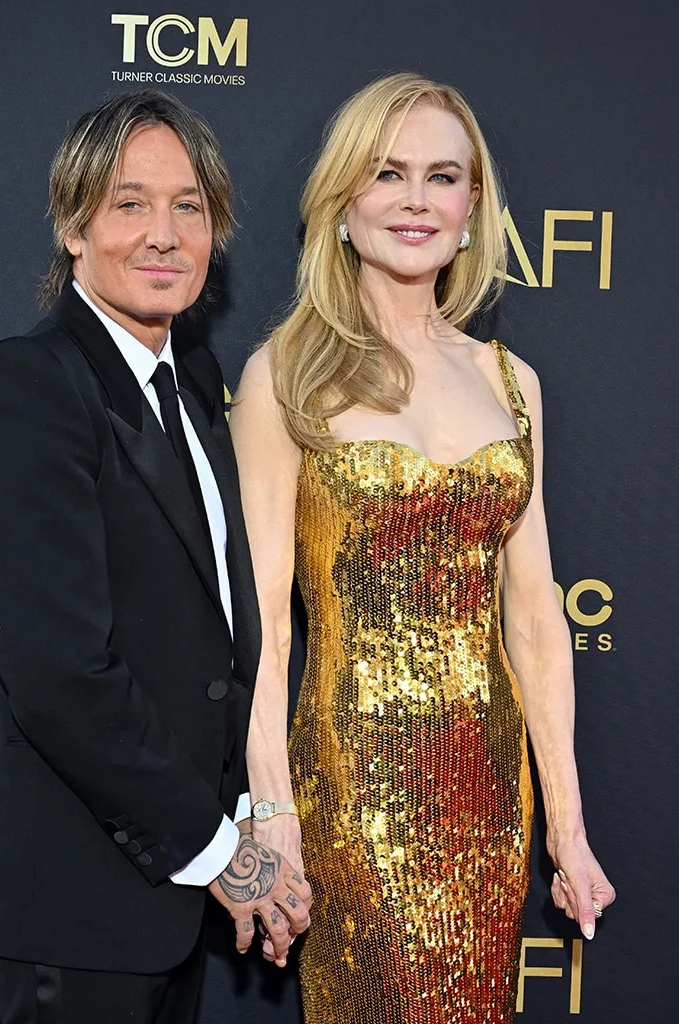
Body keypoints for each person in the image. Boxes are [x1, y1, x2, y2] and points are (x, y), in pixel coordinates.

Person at [230, 72, 615, 1023]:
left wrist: (564, 827)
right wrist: (272, 812)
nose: (414, 200)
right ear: (343, 203)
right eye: (387, 173)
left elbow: (533, 614)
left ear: (472, 205)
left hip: (489, 799)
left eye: (441, 176)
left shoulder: (511, 381)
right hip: (353, 792)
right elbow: (260, 626)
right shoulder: (285, 375)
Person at [0, 90, 311, 1024]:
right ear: (73, 229)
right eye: (128, 203)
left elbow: (210, 642)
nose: (163, 234)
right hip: (75, 912)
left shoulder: (193, 382)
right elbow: (61, 674)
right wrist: (222, 855)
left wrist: (244, 826)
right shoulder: (28, 384)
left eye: (187, 206)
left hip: (169, 903)